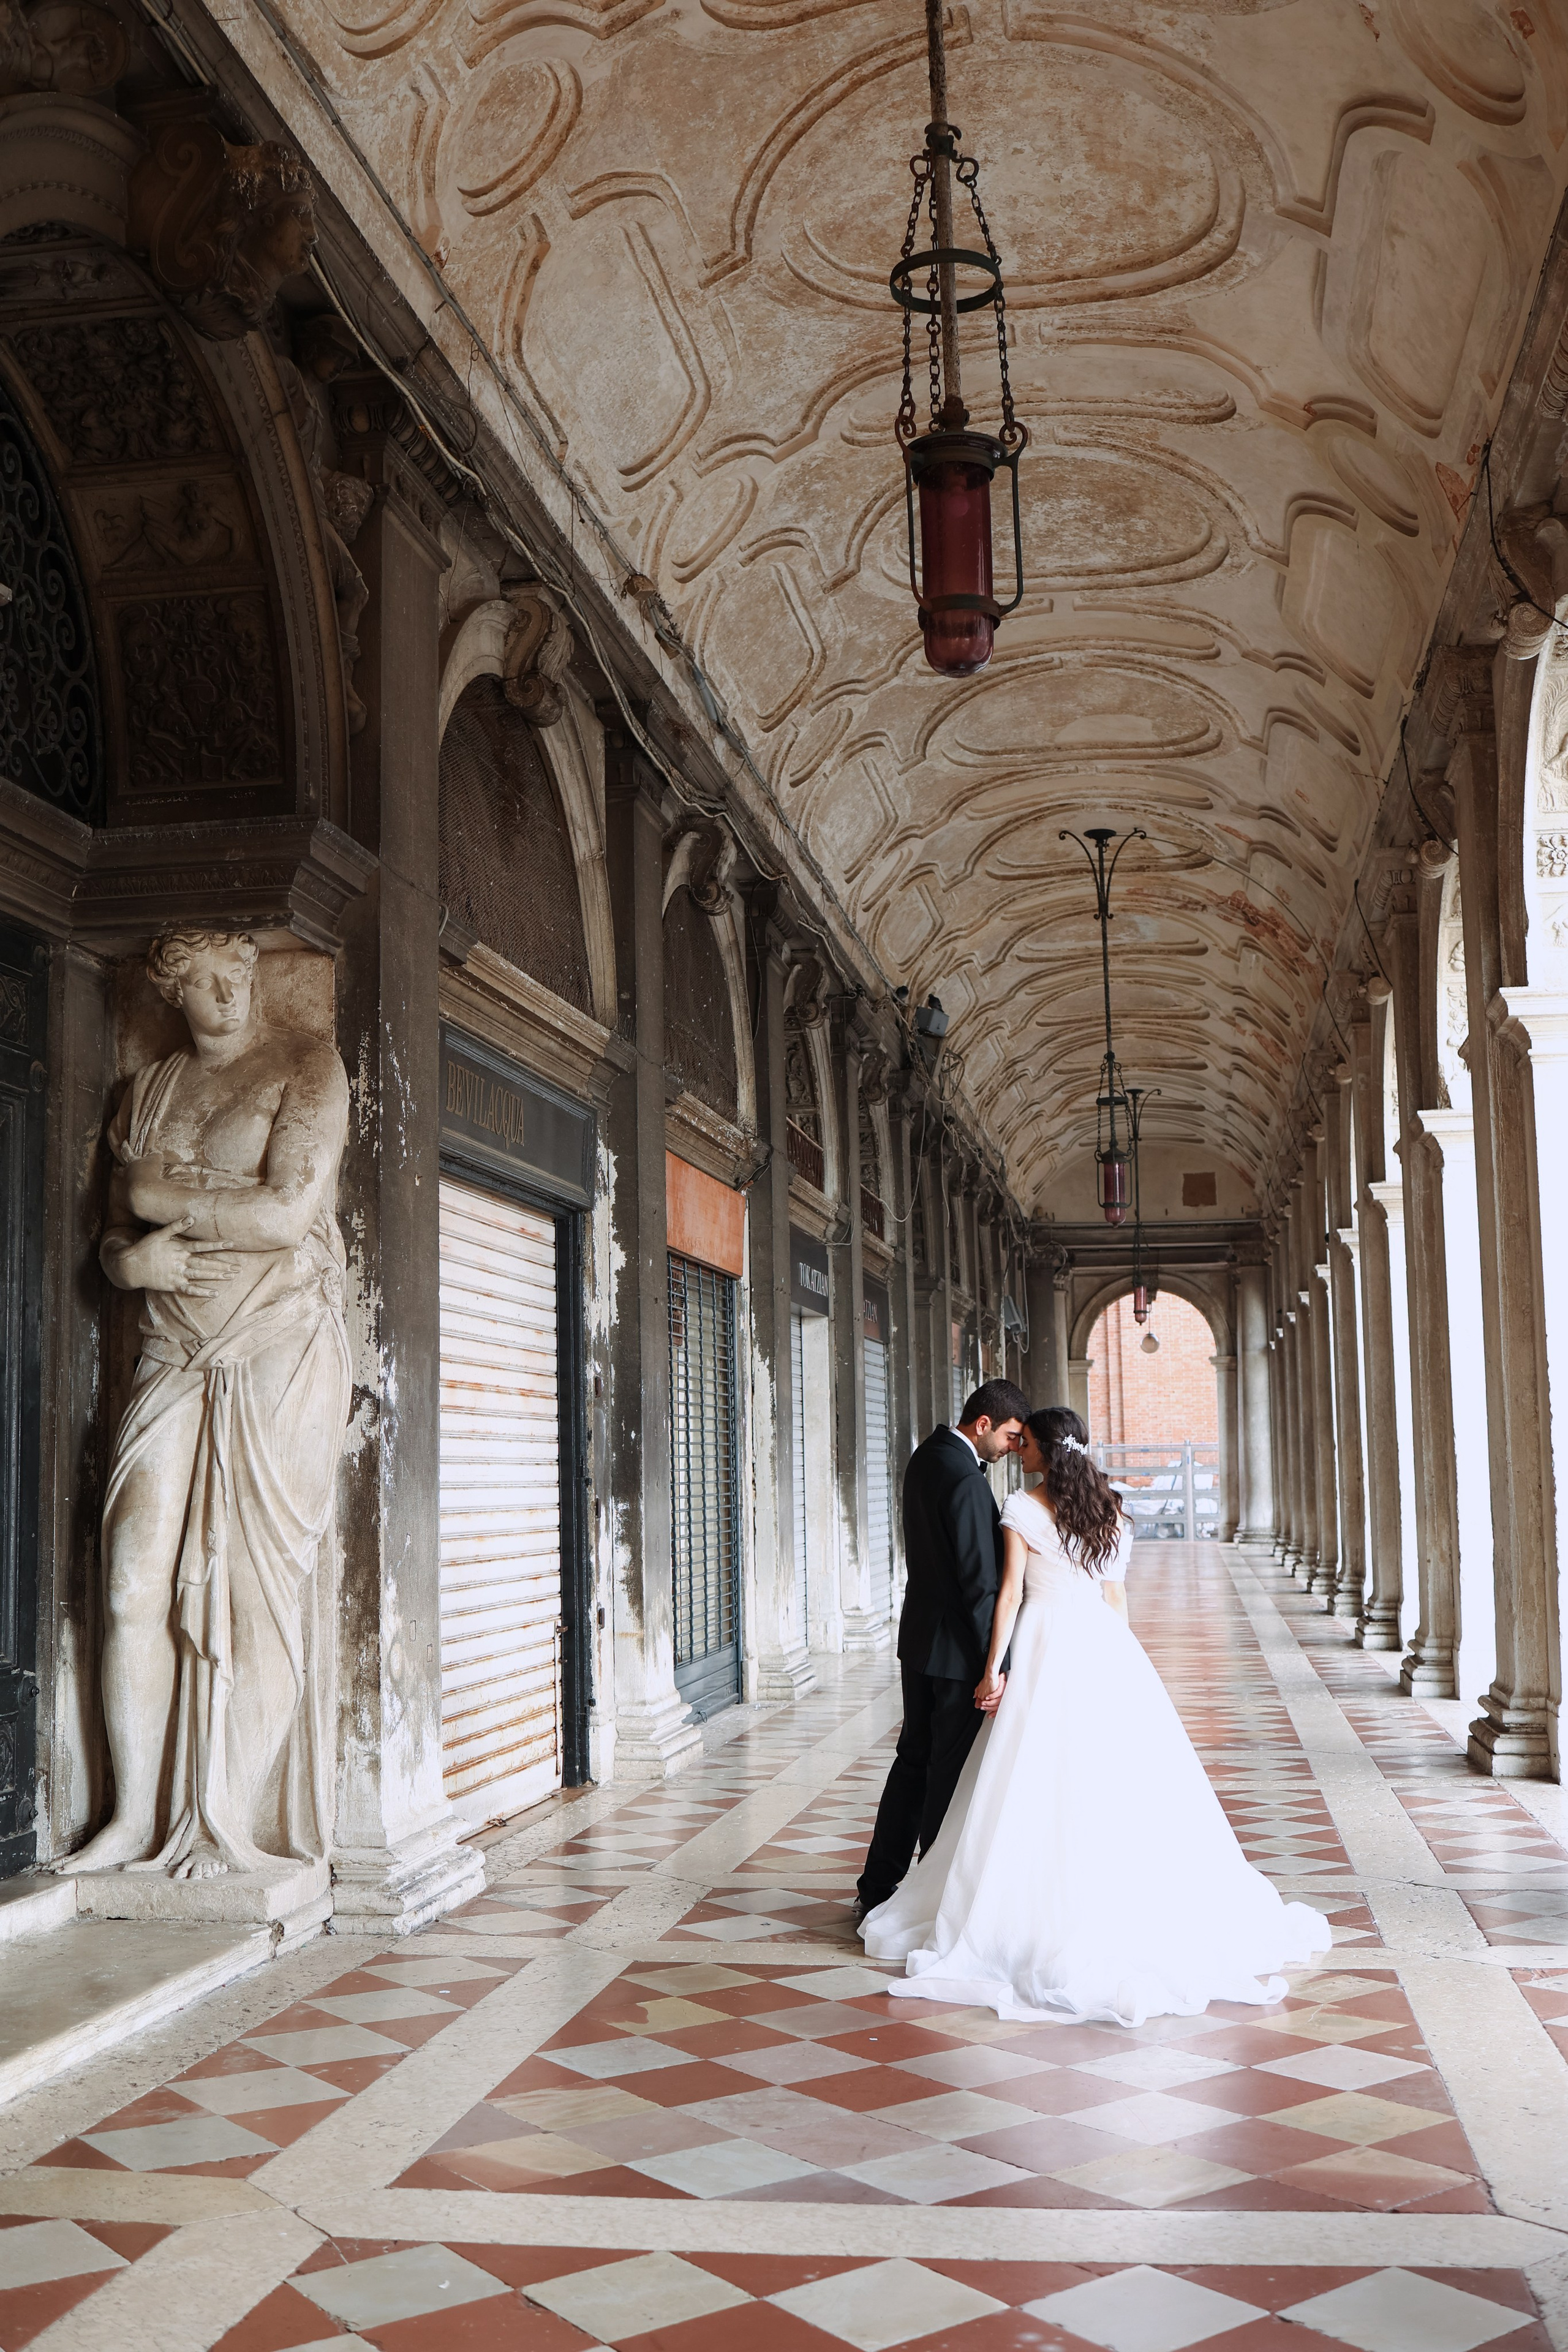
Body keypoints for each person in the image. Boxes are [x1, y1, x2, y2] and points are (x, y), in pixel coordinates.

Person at [860, 1405, 1331, 2027]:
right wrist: (1123, 1660)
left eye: (1026, 1443)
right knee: (1111, 1776)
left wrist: (993, 1668)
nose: (1019, 1451)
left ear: (1044, 1451)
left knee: (1033, 1772)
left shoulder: (1021, 1508)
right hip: (1103, 1644)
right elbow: (1115, 1594)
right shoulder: (1109, 1507)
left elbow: (1009, 1594)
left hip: (1042, 1643)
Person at [62, 927, 351, 1882]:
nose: (226, 995)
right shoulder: (149, 1091)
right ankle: (133, 1817)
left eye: (237, 974)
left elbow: (287, 1214)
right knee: (130, 1581)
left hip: (278, 1341)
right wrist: (131, 1260)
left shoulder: (308, 1067)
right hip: (170, 1346)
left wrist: (163, 1196)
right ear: (172, 993)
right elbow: (114, 1235)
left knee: (255, 1590)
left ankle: (227, 1816)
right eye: (203, 983)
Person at [854, 1378, 1030, 1921]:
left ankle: (878, 1885)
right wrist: (996, 1663)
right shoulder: (966, 1479)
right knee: (946, 1776)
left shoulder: (926, 1457)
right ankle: (931, 1900)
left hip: (920, 1643)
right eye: (1011, 1436)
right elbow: (980, 1584)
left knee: (912, 1763)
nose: (1014, 1447)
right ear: (984, 1424)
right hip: (957, 1655)